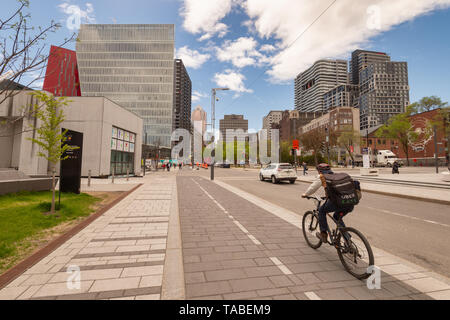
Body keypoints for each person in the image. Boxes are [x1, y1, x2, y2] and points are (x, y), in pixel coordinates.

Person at [301, 163, 354, 243]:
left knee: (322, 211)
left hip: (338, 201)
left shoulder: (322, 176)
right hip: (350, 201)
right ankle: (347, 239)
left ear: (319, 171)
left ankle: (323, 235)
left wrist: (305, 194)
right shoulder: (336, 176)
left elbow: (313, 187)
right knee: (336, 216)